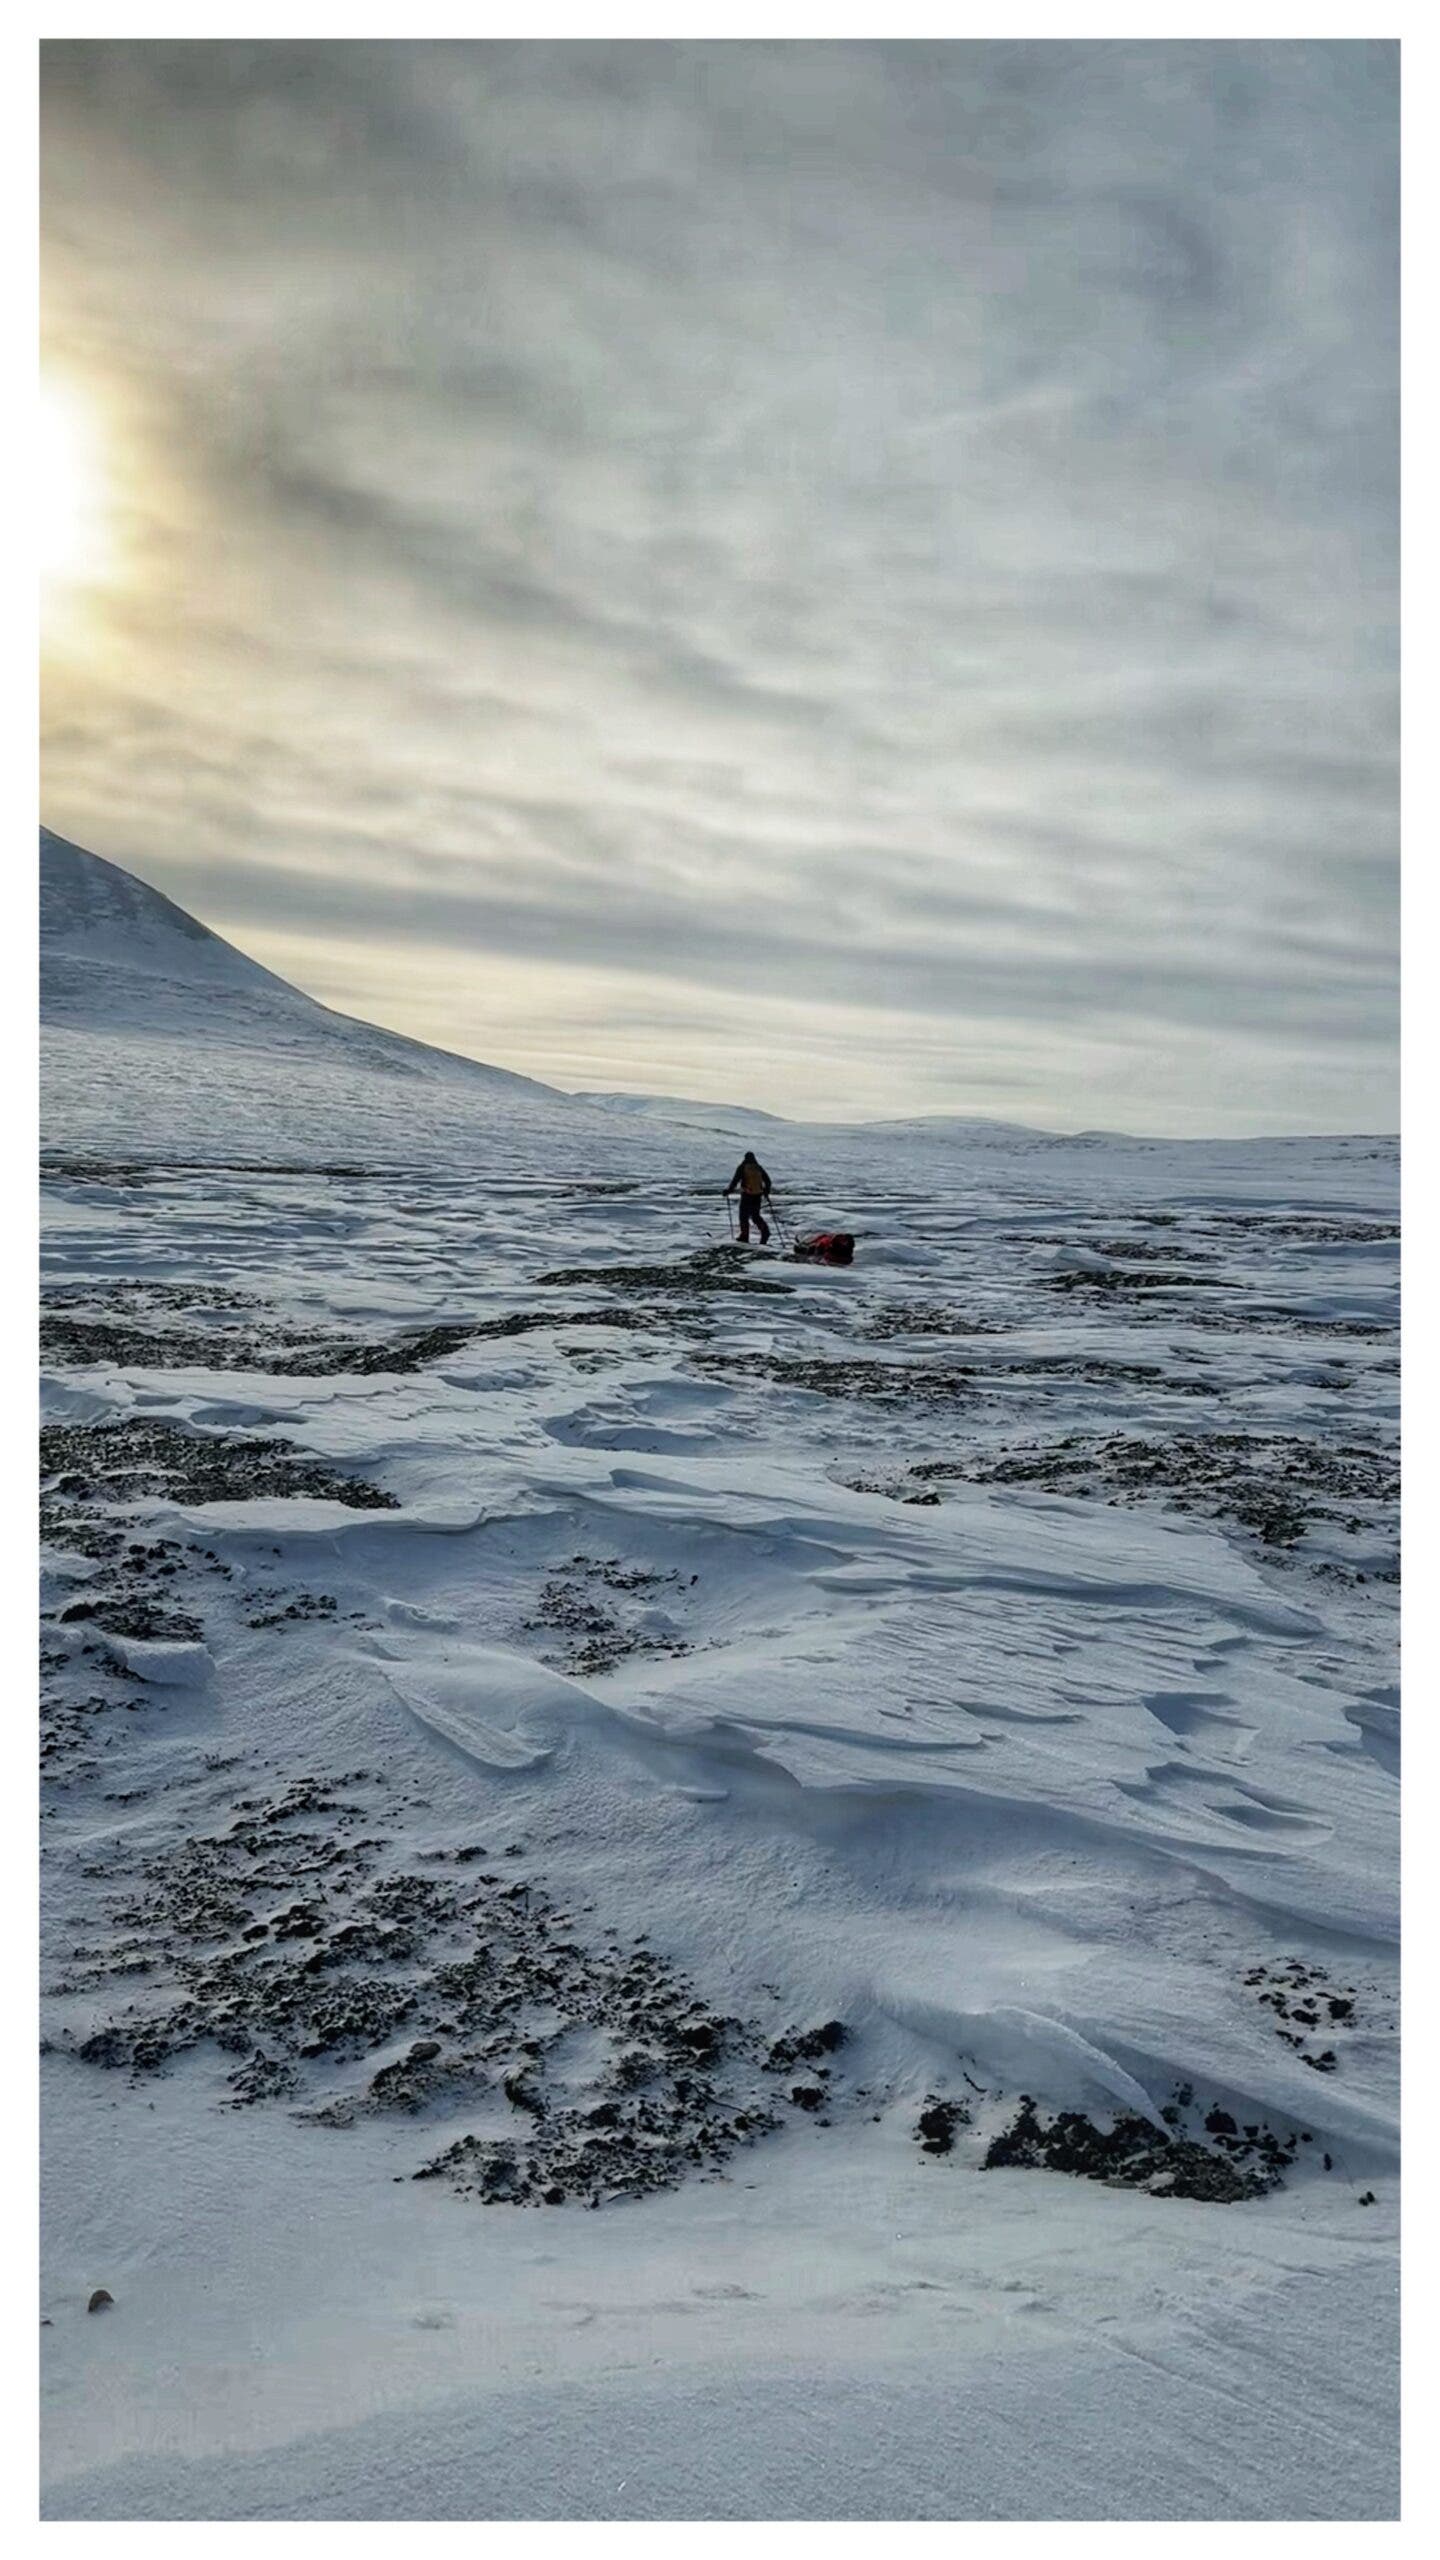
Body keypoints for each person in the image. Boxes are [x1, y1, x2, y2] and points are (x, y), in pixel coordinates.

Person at [725, 1150, 773, 1244]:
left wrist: (728, 1191)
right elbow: (768, 1181)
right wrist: (766, 1192)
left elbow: (735, 1181)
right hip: (757, 1195)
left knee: (743, 1216)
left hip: (747, 1195)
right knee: (755, 1216)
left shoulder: (742, 1167)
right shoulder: (758, 1168)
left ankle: (744, 1236)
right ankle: (765, 1232)